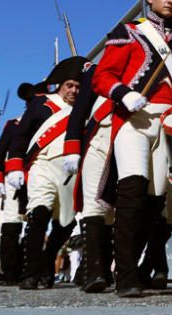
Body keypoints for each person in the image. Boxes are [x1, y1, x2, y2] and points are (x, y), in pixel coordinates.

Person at [92, 0, 172, 298]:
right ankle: (124, 275)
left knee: (156, 202)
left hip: (169, 121)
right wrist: (123, 93)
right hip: (134, 121)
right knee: (132, 192)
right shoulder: (129, 31)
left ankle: (132, 266)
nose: (171, 1)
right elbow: (103, 76)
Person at [5, 57, 86, 290]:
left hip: (70, 171)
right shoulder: (41, 105)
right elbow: (20, 137)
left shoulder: (83, 110)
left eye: (78, 87)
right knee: (38, 214)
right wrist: (14, 166)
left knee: (65, 224)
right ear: (60, 85)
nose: (73, 90)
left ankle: (48, 260)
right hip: (42, 165)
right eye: (69, 85)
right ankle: (29, 273)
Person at [61, 61, 114, 293]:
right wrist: (72, 146)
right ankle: (93, 271)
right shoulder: (99, 69)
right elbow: (80, 110)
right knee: (94, 205)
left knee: (118, 210)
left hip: (135, 135)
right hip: (99, 139)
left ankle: (118, 269)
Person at [0, 82, 46, 285]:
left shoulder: (54, 120)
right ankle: (11, 274)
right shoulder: (14, 124)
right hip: (16, 177)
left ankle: (36, 270)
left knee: (38, 224)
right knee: (11, 226)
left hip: (41, 175)